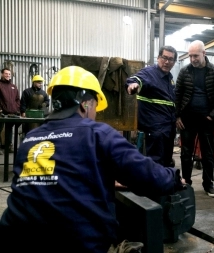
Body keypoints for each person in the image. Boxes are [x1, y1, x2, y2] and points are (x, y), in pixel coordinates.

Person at [0, 66, 186, 253]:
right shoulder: (97, 133)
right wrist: (174, 178)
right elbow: (146, 175)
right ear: (85, 104)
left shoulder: (29, 139)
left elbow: (57, 175)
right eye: (96, 106)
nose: (95, 114)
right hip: (77, 243)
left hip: (16, 240)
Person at [175, 40, 214, 198]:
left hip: (207, 120)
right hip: (187, 119)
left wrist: (212, 116)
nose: (192, 59)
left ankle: (208, 184)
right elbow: (177, 95)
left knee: (208, 153)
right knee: (186, 153)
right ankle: (186, 183)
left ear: (204, 53)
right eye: (190, 56)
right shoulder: (184, 72)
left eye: (195, 56)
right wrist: (177, 116)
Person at [125, 45, 177, 167]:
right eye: (164, 57)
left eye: (171, 59)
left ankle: (165, 184)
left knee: (166, 162)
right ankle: (155, 186)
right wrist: (132, 85)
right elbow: (136, 79)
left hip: (168, 128)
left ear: (174, 62)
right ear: (158, 58)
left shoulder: (169, 78)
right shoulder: (150, 73)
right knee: (156, 162)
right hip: (155, 129)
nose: (167, 62)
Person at [0, 67, 21, 154]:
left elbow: (17, 99)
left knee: (9, 131)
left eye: (9, 74)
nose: (8, 75)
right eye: (6, 74)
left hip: (12, 113)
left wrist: (16, 108)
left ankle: (8, 147)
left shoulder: (13, 87)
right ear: (2, 74)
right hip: (1, 112)